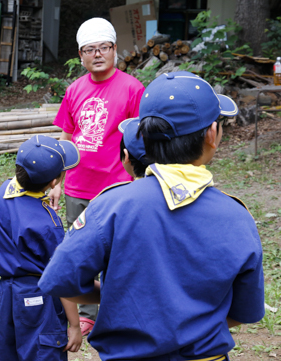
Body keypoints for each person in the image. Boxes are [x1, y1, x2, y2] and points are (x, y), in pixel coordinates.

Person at [39, 71, 265, 360]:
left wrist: (110, 294)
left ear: (142, 137)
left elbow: (58, 280)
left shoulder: (112, 206)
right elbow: (246, 310)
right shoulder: (236, 216)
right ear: (212, 134)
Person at [49, 17, 145, 334]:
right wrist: (57, 182)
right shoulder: (74, 90)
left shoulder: (133, 89)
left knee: (120, 252)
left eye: (104, 47)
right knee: (83, 251)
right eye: (90, 49)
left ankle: (118, 307)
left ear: (115, 49)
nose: (98, 54)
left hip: (119, 186)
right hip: (78, 186)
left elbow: (140, 139)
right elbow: (67, 136)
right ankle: (88, 310)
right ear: (81, 55)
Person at [0, 135, 83, 361]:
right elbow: (60, 278)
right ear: (54, 182)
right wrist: (75, 325)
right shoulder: (49, 225)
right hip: (38, 300)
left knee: (6, 353)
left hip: (6, 296)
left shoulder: (3, 192)